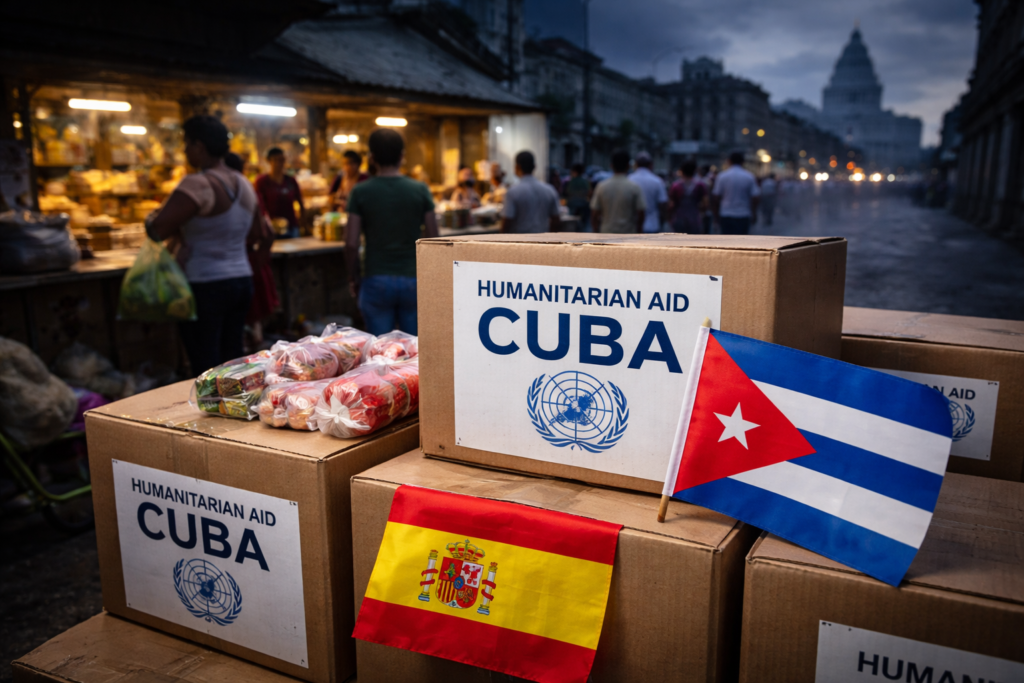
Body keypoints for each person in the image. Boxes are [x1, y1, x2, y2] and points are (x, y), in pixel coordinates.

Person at [145, 116, 262, 373]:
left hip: (205, 283)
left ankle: (210, 411)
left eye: (186, 144)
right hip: (241, 279)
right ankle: (233, 409)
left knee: (205, 363)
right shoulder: (244, 183)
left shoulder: (197, 184)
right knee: (232, 359)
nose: (185, 151)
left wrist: (155, 218)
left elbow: (157, 230)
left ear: (199, 145)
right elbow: (257, 232)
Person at [345, 128, 438, 335]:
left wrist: (353, 278)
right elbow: (434, 238)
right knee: (414, 353)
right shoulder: (420, 189)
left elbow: (351, 243)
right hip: (413, 279)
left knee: (380, 353)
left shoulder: (360, 191)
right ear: (402, 156)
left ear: (372, 157)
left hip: (376, 278)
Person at [226, 152, 278, 347]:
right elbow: (266, 233)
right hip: (246, 261)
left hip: (229, 267)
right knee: (247, 327)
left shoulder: (210, 188)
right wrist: (258, 261)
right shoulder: (248, 189)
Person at [501, 150, 561, 234]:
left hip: (519, 242)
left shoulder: (512, 192)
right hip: (543, 241)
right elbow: (556, 220)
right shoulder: (549, 190)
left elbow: (507, 223)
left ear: (517, 167)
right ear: (534, 166)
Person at [590, 149, 646, 234]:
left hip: (606, 234)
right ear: (628, 166)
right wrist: (639, 231)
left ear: (611, 166)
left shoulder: (601, 186)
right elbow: (641, 214)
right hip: (628, 234)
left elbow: (594, 214)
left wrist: (595, 231)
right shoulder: (634, 187)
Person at [254, 147, 304, 238]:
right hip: (271, 228)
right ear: (269, 161)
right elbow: (258, 205)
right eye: (275, 160)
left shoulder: (290, 181)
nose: (278, 163)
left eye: (281, 160)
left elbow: (300, 201)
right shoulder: (262, 181)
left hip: (291, 226)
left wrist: (302, 222)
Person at [712, 151, 760, 235]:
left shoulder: (722, 176)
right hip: (743, 214)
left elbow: (716, 197)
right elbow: (755, 197)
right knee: (741, 243)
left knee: (727, 243)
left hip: (726, 214)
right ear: (743, 162)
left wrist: (716, 216)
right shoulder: (749, 176)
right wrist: (754, 213)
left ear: (729, 161)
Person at [627, 152, 667, 233]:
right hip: (653, 225)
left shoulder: (629, 179)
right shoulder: (657, 181)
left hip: (633, 226)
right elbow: (663, 204)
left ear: (636, 164)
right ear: (650, 164)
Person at [668, 160, 708, 233]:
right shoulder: (700, 185)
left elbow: (671, 204)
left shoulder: (676, 186)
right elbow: (705, 203)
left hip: (679, 218)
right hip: (694, 219)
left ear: (682, 171)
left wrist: (669, 217)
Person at [564, 163, 592, 231]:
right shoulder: (585, 180)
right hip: (583, 205)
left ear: (575, 171)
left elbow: (568, 192)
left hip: (573, 205)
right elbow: (589, 192)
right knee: (584, 224)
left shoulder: (572, 181)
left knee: (572, 222)